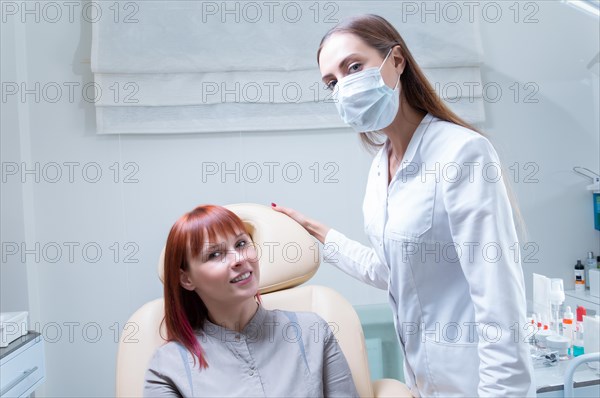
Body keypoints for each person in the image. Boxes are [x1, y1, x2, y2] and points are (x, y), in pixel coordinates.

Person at [272, 14, 535, 397]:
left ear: (396, 61)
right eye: (332, 82)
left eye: (354, 67)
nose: (344, 87)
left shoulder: (461, 153)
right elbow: (394, 270)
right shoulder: (381, 167)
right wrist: (319, 234)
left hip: (478, 384)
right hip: (424, 383)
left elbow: (499, 302)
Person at [143, 205, 359, 397]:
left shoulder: (312, 332)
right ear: (186, 278)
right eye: (214, 255)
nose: (239, 259)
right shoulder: (167, 366)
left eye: (241, 243)